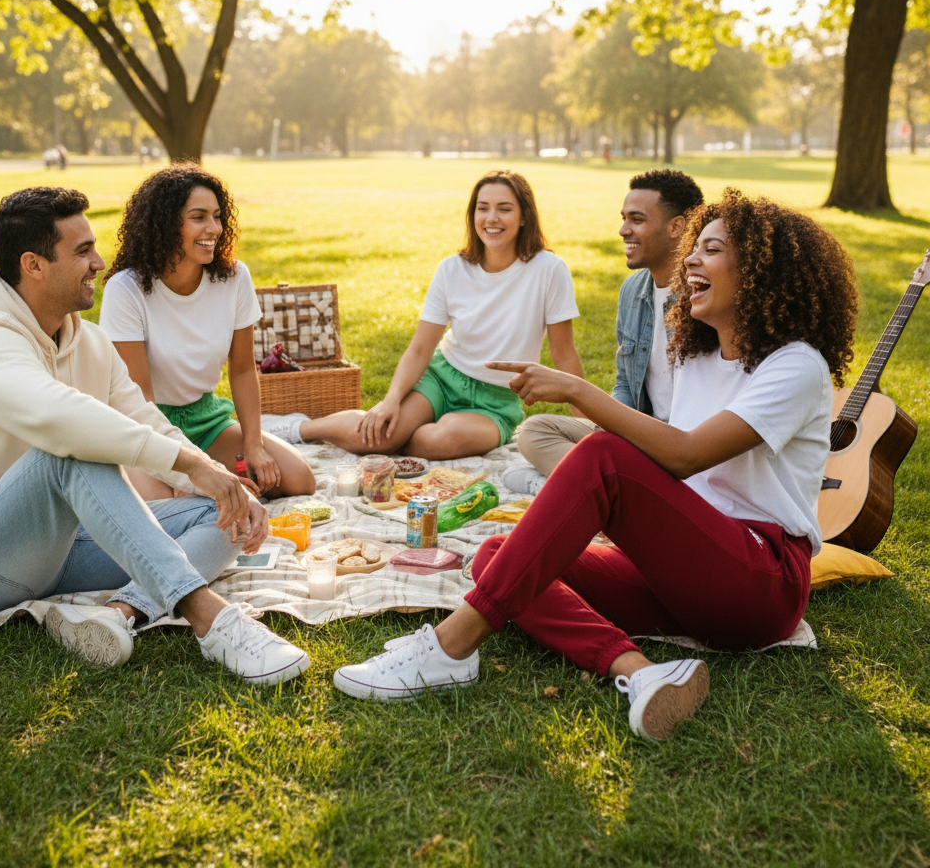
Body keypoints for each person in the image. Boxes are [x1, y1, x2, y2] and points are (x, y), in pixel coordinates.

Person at [331, 189, 858, 741]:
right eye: (693, 249)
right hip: (692, 570)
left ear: (759, 271)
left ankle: (450, 647)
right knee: (498, 558)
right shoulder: (697, 354)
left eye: (713, 250)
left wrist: (575, 391)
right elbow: (674, 470)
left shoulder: (796, 366)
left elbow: (685, 455)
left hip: (759, 580)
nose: (691, 261)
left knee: (603, 457)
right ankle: (640, 672)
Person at [0, 187, 309, 683]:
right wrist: (194, 465)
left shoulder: (89, 342)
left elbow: (145, 419)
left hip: (65, 545)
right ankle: (211, 620)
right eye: (82, 252)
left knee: (226, 510)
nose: (99, 262)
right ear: (33, 265)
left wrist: (208, 479)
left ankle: (121, 614)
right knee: (69, 451)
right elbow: (60, 419)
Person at [264, 170, 585, 459]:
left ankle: (388, 436)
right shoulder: (453, 269)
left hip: (495, 400)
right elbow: (420, 348)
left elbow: (564, 354)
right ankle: (298, 429)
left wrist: (584, 430)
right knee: (378, 434)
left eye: (504, 208)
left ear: (524, 216)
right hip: (441, 378)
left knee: (439, 440)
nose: (491, 218)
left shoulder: (549, 270)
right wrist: (392, 400)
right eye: (483, 207)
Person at [99, 164, 314, 499]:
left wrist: (253, 445)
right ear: (166, 224)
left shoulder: (233, 277)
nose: (214, 228)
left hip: (206, 419)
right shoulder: (125, 289)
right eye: (198, 217)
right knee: (172, 507)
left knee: (298, 478)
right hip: (148, 427)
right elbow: (141, 400)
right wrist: (202, 471)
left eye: (217, 216)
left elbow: (242, 370)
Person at [505, 169, 703, 494]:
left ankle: (570, 485)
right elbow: (626, 381)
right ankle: (594, 482)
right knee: (536, 431)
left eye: (636, 220)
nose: (624, 230)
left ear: (676, 227)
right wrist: (605, 429)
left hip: (682, 447)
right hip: (637, 434)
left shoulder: (704, 296)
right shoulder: (633, 291)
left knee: (599, 458)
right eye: (624, 218)